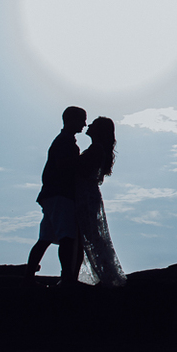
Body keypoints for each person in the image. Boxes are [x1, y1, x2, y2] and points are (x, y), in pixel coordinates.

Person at [27, 106, 86, 282]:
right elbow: (62, 165)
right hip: (61, 194)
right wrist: (81, 161)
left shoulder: (63, 140)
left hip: (53, 194)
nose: (84, 124)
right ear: (71, 120)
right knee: (67, 236)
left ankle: (28, 277)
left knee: (45, 237)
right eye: (81, 119)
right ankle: (67, 277)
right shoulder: (65, 142)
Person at [75, 116, 126, 287]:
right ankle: (106, 273)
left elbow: (81, 171)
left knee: (89, 236)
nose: (88, 126)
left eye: (93, 125)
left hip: (86, 196)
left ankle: (106, 275)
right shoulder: (98, 149)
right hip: (89, 195)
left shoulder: (96, 149)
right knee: (90, 236)